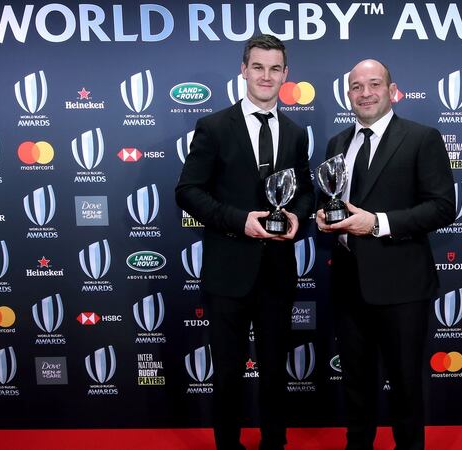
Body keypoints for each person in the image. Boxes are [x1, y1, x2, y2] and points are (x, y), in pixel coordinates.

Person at [175, 34, 314, 450]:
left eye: (275, 68)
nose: (266, 76)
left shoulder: (295, 132)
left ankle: (275, 442)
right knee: (229, 372)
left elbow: (305, 191)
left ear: (285, 75)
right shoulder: (214, 127)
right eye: (258, 67)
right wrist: (240, 221)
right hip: (228, 271)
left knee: (275, 370)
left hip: (276, 272)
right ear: (244, 69)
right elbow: (188, 191)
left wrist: (296, 215)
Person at [316, 59, 456, 450]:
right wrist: (324, 218)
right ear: (348, 94)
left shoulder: (421, 138)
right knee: (356, 383)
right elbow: (333, 201)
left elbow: (443, 207)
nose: (365, 93)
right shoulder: (337, 143)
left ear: (392, 90)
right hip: (348, 282)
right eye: (357, 87)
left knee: (406, 383)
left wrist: (377, 223)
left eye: (374, 84)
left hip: (402, 285)